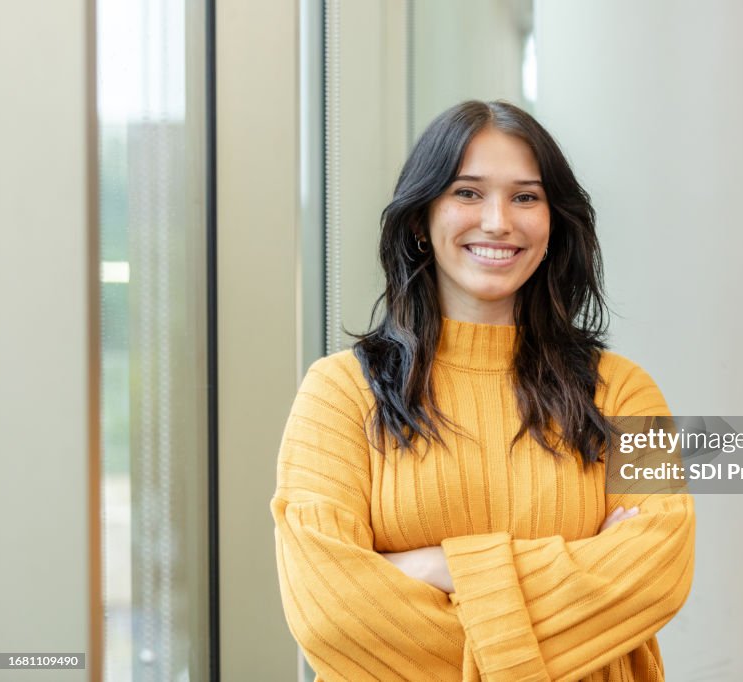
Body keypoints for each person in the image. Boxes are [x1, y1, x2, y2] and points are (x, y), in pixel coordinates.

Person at [271, 100, 695, 681]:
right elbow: (330, 613)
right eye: (467, 193)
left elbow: (659, 567)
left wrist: (436, 567)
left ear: (553, 221)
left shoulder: (626, 393)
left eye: (526, 196)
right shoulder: (337, 395)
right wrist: (579, 568)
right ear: (421, 218)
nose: (498, 221)